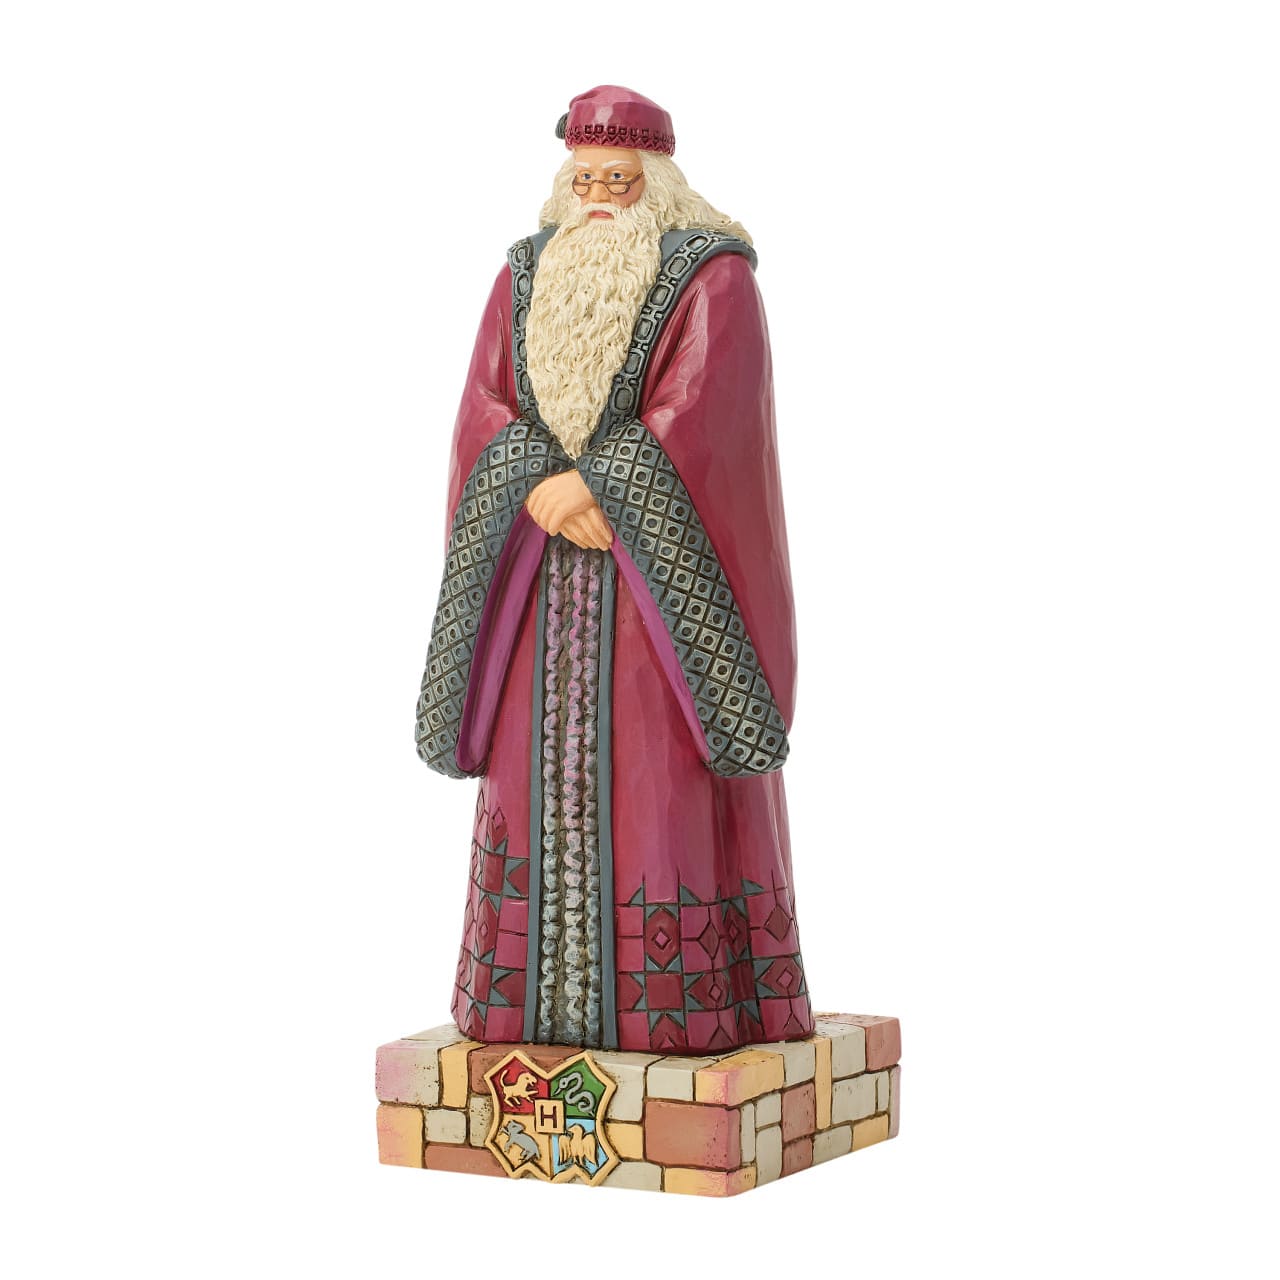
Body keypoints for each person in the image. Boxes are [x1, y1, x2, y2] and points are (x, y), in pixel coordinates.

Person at [415, 86, 814, 1055]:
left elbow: (708, 410)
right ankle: (518, 1010)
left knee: (658, 787)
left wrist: (605, 484)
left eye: (617, 182)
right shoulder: (523, 274)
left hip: (658, 607)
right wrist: (537, 485)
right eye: (583, 179)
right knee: (528, 783)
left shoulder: (712, 278)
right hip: (536, 596)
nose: (596, 198)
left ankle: (679, 1015)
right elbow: (483, 406)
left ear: (656, 184)